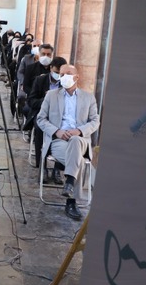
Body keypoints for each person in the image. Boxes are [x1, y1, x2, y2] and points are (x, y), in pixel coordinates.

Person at [37, 64, 100, 221]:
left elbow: (95, 121)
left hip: (81, 139)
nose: (64, 77)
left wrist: (79, 131)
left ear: (76, 77)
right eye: (62, 74)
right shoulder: (51, 95)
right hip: (59, 140)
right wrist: (56, 131)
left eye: (68, 73)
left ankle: (69, 182)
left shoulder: (89, 97)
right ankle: (71, 201)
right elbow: (41, 119)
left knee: (76, 141)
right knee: (78, 161)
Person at [26, 56, 68, 178]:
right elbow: (31, 101)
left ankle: (58, 168)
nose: (58, 76)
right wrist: (46, 100)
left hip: (60, 117)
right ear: (50, 68)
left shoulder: (66, 83)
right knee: (40, 129)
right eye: (56, 72)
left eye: (61, 73)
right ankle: (42, 165)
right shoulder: (40, 80)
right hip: (42, 115)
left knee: (65, 130)